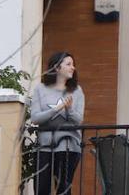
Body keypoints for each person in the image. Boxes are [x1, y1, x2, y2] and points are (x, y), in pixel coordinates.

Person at [29, 51, 85, 195]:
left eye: (73, 65)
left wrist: (69, 109)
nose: (73, 68)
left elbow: (78, 120)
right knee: (41, 189)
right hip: (45, 147)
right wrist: (57, 109)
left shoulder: (77, 91)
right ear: (57, 68)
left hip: (68, 146)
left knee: (63, 190)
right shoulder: (40, 89)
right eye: (68, 64)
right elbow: (35, 118)